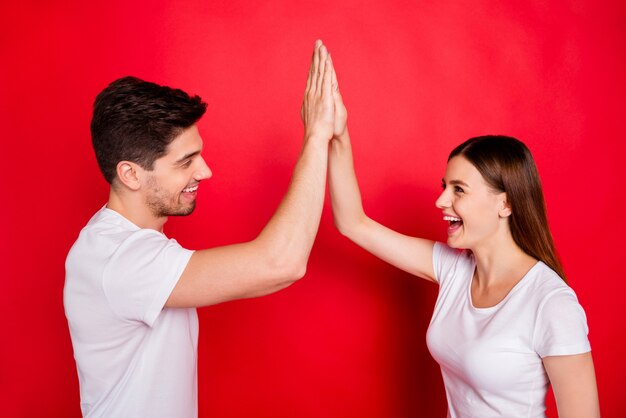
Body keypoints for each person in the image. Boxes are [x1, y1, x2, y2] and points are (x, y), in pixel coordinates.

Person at [64, 40, 337, 417]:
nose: (205, 171)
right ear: (130, 174)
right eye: (185, 162)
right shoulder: (119, 259)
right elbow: (281, 263)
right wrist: (316, 137)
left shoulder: (126, 245)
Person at [327, 79, 600, 415]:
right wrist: (338, 136)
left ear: (505, 204)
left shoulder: (551, 303)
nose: (441, 200)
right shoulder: (454, 270)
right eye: (445, 186)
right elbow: (352, 223)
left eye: (459, 190)